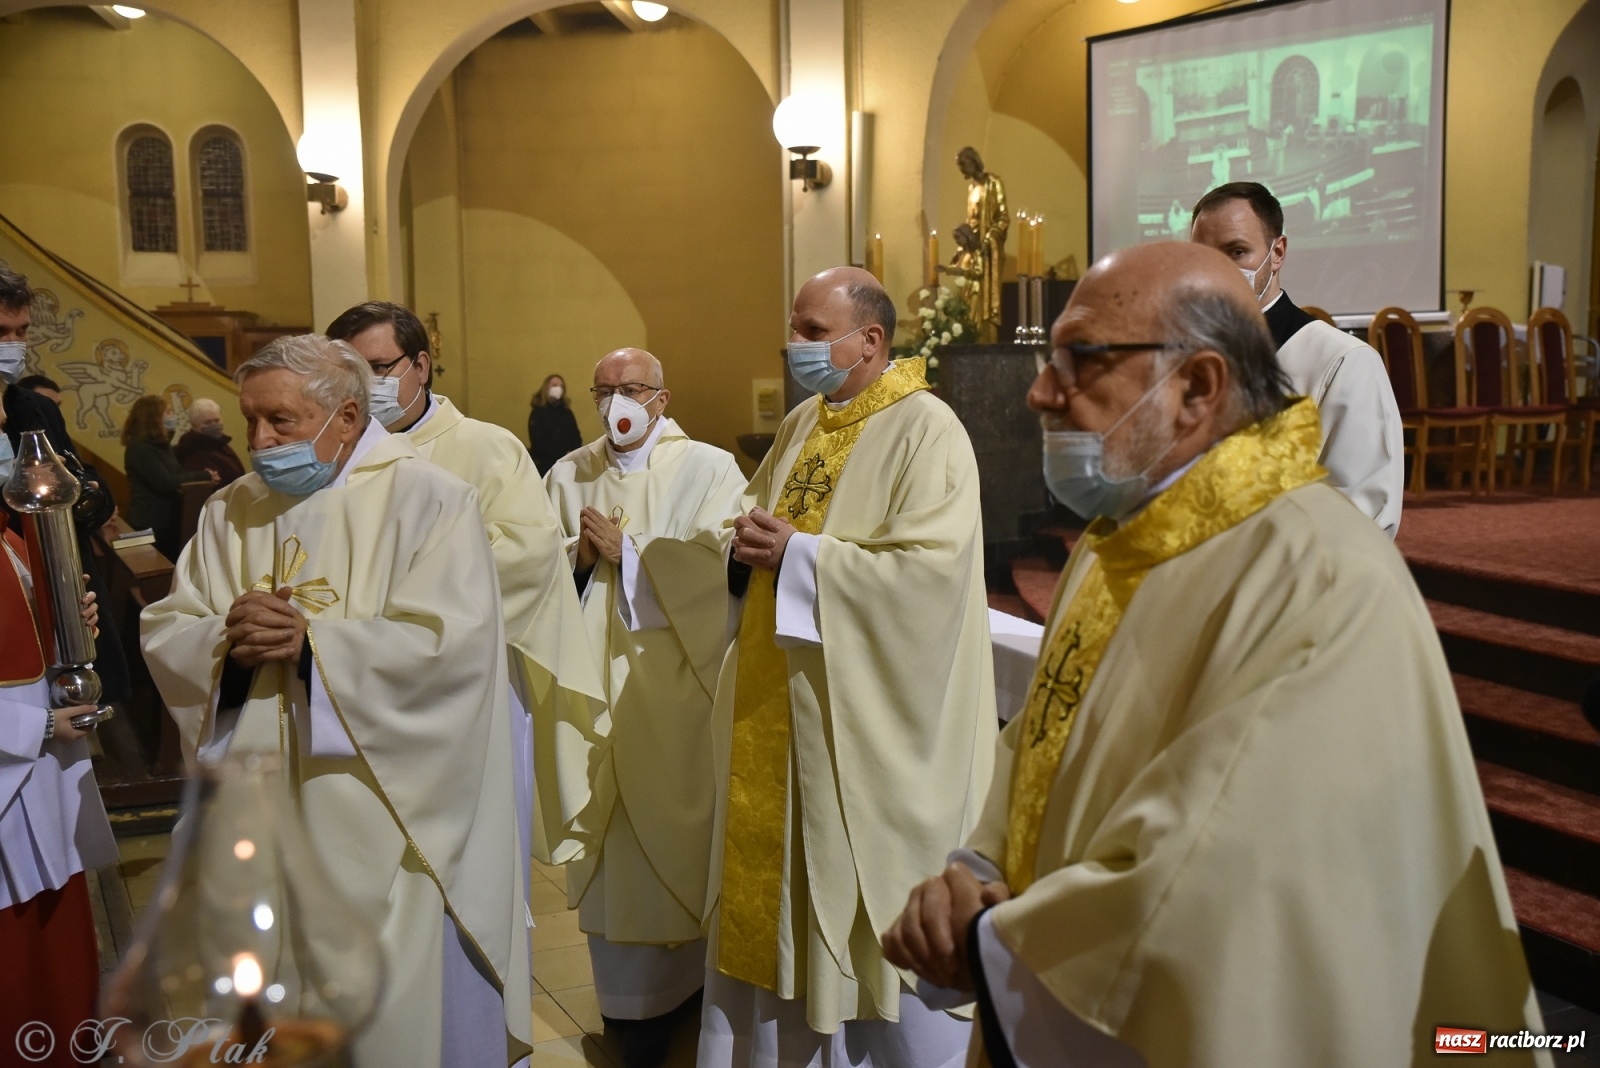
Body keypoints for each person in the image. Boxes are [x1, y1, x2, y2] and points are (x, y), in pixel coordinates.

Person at [884, 243, 1545, 1068]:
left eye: (1081, 360)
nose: (1041, 390)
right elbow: (1046, 737)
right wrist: (975, 871)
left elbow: (1226, 870)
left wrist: (992, 940)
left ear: (1197, 387)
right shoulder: (1118, 538)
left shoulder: (1315, 574)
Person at [140, 335, 533, 1067]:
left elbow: (453, 650)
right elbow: (171, 624)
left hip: (387, 813)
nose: (258, 441)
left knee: (392, 1022)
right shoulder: (230, 510)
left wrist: (315, 646)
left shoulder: (431, 500)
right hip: (257, 811)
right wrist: (226, 646)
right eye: (249, 419)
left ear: (347, 416)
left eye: (280, 422)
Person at [701, 267, 996, 1067]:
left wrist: (802, 558)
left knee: (848, 897)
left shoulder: (928, 429)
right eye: (792, 327)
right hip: (780, 706)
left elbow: (930, 577)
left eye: (808, 330)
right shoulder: (804, 423)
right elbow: (753, 522)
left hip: (854, 722)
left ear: (870, 339)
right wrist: (742, 542)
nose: (793, 345)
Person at [326, 302, 605, 895]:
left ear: (421, 365)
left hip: (463, 687)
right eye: (348, 372)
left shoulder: (487, 448)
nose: (364, 387)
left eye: (378, 368)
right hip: (354, 684)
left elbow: (532, 557)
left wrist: (399, 595)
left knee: (461, 879)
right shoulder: (325, 457)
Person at [545, 348, 745, 1067]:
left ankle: (684, 993)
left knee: (674, 835)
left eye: (629, 389)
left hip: (673, 692)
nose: (614, 404)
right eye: (602, 391)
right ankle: (623, 1010)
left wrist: (633, 556)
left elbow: (724, 571)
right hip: (589, 684)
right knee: (610, 836)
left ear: (662, 398)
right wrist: (578, 556)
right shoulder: (569, 472)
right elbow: (536, 570)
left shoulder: (711, 468)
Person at [0, 401, 118, 1058]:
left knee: (59, 975)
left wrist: (68, 623)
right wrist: (32, 722)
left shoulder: (8, 531)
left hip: (37, 795)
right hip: (14, 773)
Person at [1190, 181, 1404, 535]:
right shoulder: (1181, 357)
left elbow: (1361, 514)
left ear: (1278, 252)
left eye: (1237, 251)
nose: (1217, 270)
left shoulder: (1342, 362)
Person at [1, 263, 130, 707]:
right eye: (1, 332)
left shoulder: (33, 409)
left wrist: (83, 493)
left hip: (64, 594)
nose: (14, 346)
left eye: (22, 332)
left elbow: (87, 491)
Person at [121, 394, 215, 561]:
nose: (173, 416)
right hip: (149, 525)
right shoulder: (139, 449)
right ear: (153, 418)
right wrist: (204, 474)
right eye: (168, 412)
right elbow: (166, 482)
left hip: (168, 523)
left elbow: (177, 474)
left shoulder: (161, 446)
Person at [952, 147, 1010, 339]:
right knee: (969, 297)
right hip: (973, 249)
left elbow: (1003, 218)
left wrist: (988, 238)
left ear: (974, 161)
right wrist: (961, 248)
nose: (961, 169)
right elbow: (970, 222)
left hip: (989, 250)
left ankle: (987, 339)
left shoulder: (993, 184)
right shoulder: (971, 188)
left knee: (986, 299)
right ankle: (972, 336)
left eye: (963, 164)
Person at [173, 396, 246, 487]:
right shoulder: (193, 451)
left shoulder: (219, 443)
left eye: (217, 420)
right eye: (207, 422)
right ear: (194, 425)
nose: (214, 425)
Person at [528, 374, 583, 474]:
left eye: (561, 386)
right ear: (546, 388)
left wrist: (573, 452)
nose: (558, 388)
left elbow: (576, 436)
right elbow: (538, 443)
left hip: (567, 465)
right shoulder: (538, 413)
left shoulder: (567, 413)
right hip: (545, 467)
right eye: (554, 385)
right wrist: (562, 454)